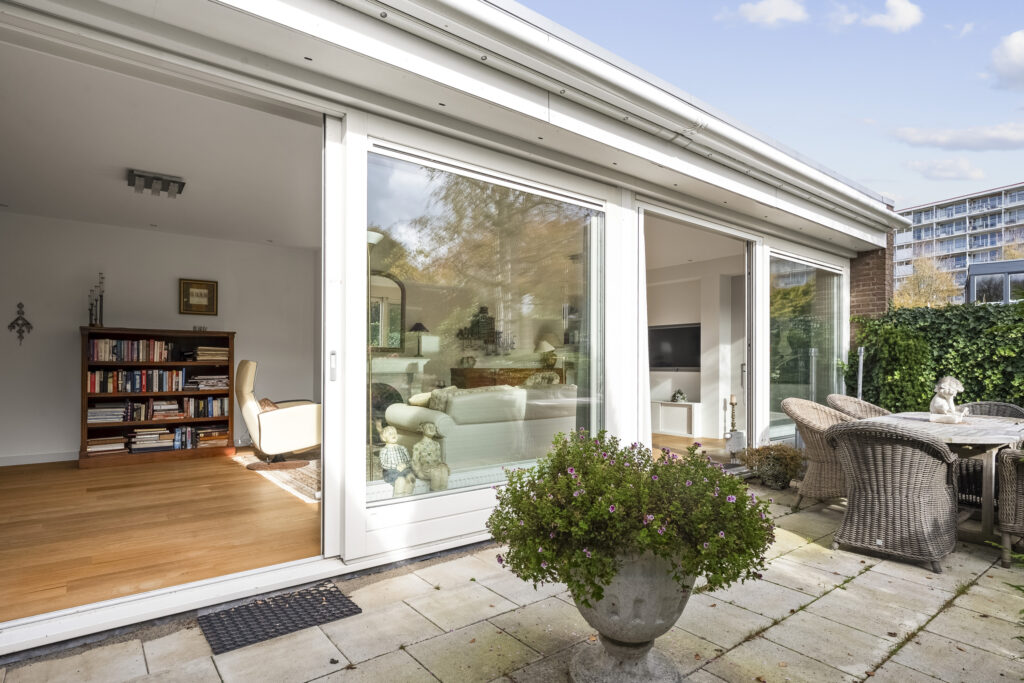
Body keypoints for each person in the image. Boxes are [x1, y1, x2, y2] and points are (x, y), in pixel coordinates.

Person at [379, 425, 416, 496]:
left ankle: (407, 497)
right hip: (391, 472)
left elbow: (409, 460)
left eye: (395, 433)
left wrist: (405, 465)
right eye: (390, 433)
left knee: (411, 479)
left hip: (405, 470)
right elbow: (383, 464)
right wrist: (396, 466)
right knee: (400, 481)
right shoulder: (384, 450)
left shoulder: (402, 448)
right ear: (384, 438)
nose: (393, 435)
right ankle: (398, 499)